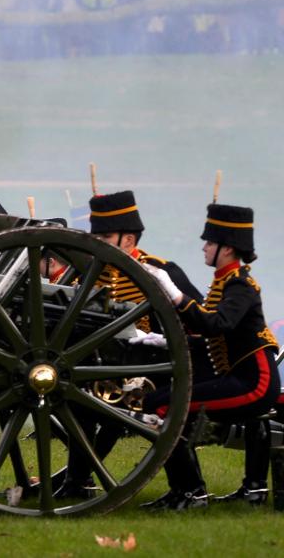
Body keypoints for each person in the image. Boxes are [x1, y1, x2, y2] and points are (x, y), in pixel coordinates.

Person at [57, 190, 203, 499]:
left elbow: (198, 321)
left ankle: (190, 488)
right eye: (95, 235)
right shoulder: (89, 273)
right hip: (101, 367)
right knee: (79, 403)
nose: (98, 242)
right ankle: (77, 482)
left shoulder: (160, 270)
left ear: (129, 239)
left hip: (157, 368)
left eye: (106, 236)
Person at [141, 203, 279, 510]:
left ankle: (190, 492)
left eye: (211, 243)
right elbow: (210, 332)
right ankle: (243, 491)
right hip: (242, 379)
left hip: (254, 383)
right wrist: (159, 339)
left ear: (227, 249)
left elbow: (218, 324)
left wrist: (175, 294)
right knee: (165, 401)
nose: (204, 247)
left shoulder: (241, 285)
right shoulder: (225, 282)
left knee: (164, 404)